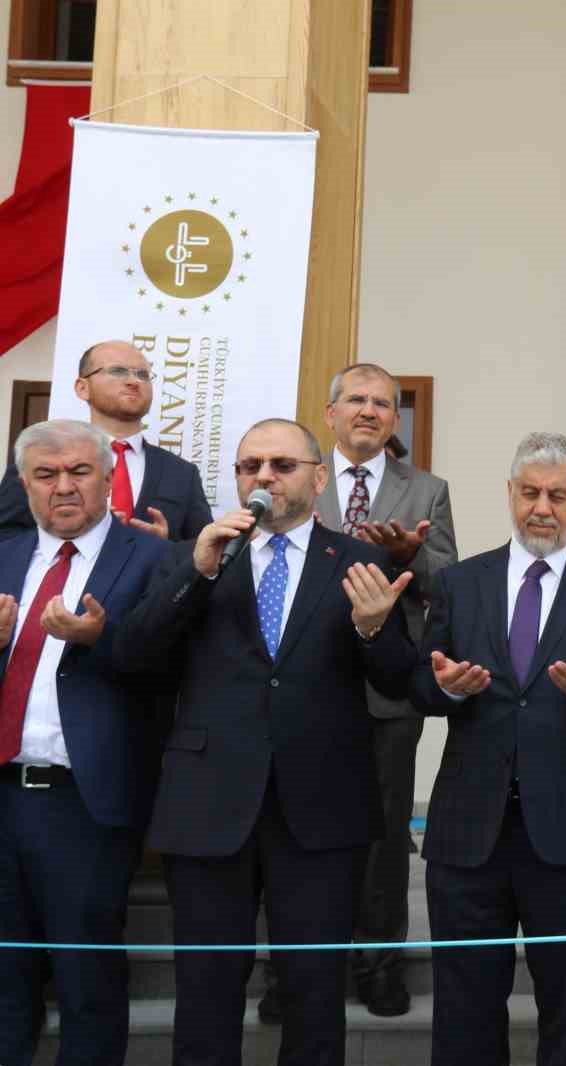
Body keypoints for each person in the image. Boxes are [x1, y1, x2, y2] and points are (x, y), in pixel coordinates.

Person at [117, 418, 415, 1066]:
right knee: (206, 991)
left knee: (313, 995)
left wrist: (372, 630)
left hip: (321, 808)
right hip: (209, 804)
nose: (264, 478)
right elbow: (135, 656)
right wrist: (194, 575)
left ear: (317, 476)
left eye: (281, 465)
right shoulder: (197, 556)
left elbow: (402, 681)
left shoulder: (361, 562)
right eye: (250, 466)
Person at [413, 432, 566, 1066]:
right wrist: (443, 688)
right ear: (509, 495)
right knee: (465, 1008)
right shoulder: (462, 582)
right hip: (471, 832)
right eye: (529, 493)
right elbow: (422, 683)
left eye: (557, 494)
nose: (541, 508)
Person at [0, 420, 169, 1066]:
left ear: (107, 478)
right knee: (5, 978)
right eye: (47, 475)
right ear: (25, 485)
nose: (63, 487)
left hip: (84, 803)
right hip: (2, 793)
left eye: (79, 472)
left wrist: (104, 641)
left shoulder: (155, 558)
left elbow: (172, 674)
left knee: (85, 982)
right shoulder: (5, 555)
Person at [310, 362, 457, 1018]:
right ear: (331, 412)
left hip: (388, 686)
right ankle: (300, 972)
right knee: (299, 828)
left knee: (385, 830)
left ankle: (377, 964)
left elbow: (448, 579)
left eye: (382, 404)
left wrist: (406, 556)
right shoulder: (298, 477)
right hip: (303, 680)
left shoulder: (426, 489)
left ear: (394, 419)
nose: (369, 411)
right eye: (357, 400)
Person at [0, 340, 212, 541]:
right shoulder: (40, 458)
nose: (133, 381)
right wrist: (66, 540)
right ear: (83, 388)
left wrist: (164, 549)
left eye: (143, 374)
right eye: (118, 371)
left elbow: (203, 552)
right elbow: (6, 535)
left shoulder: (182, 473)